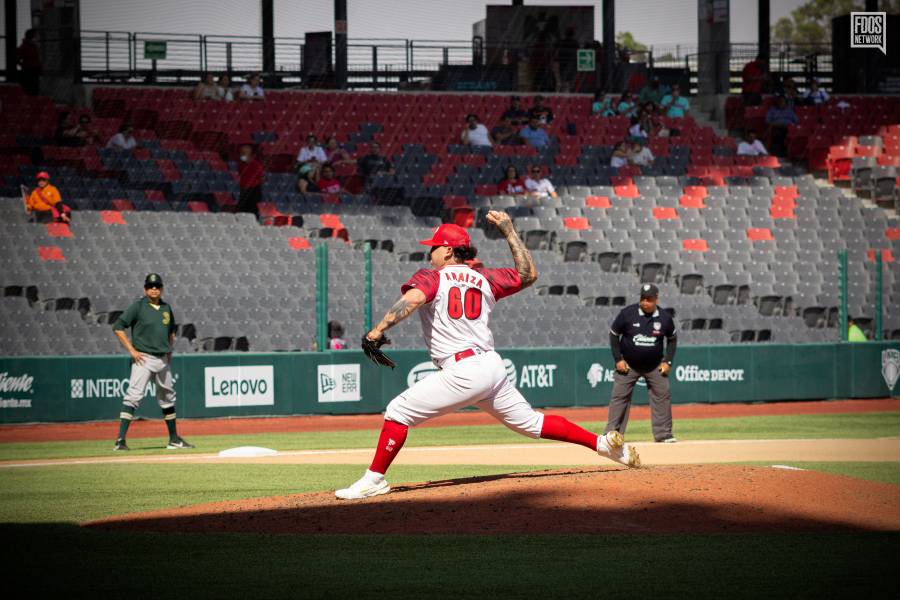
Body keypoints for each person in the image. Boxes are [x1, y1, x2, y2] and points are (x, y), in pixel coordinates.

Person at [335, 216, 639, 499]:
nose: (430, 254)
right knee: (531, 422)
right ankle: (603, 445)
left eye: (435, 248)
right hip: (490, 365)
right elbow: (529, 274)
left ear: (449, 250)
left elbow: (413, 298)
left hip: (464, 368)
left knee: (398, 412)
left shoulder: (433, 277)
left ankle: (375, 479)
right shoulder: (485, 278)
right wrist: (508, 230)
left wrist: (377, 331)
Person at [112, 273, 193, 452]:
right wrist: (132, 351)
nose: (154, 289)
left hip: (162, 359)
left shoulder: (166, 308)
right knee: (133, 396)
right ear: (145, 289)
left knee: (167, 398)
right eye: (150, 286)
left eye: (157, 286)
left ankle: (173, 439)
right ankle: (120, 440)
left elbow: (171, 331)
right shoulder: (138, 307)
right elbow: (118, 326)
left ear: (161, 288)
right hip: (144, 358)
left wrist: (170, 350)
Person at [605, 284, 678, 443]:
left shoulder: (665, 317)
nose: (645, 302)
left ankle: (664, 435)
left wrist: (668, 361)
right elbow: (613, 335)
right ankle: (612, 435)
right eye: (642, 298)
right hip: (628, 365)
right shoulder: (627, 314)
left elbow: (672, 339)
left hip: (654, 366)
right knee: (619, 398)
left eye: (649, 299)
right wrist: (618, 359)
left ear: (656, 299)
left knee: (662, 397)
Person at [236, 144, 264, 215]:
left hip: (253, 191)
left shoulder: (256, 165)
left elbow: (262, 178)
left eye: (244, 153)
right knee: (241, 211)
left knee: (251, 212)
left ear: (250, 155)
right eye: (241, 153)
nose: (242, 155)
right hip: (243, 190)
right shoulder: (240, 164)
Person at [16, 29, 42, 96]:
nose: (37, 37)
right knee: (30, 91)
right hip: (29, 72)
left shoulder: (34, 46)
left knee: (34, 91)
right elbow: (17, 59)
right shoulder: (25, 46)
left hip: (33, 71)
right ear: (33, 36)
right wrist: (25, 66)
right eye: (36, 35)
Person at [553, 28, 579, 92]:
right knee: (571, 83)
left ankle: (563, 93)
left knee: (563, 82)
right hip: (572, 65)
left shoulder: (562, 42)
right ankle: (571, 93)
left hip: (564, 64)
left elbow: (556, 50)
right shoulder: (575, 43)